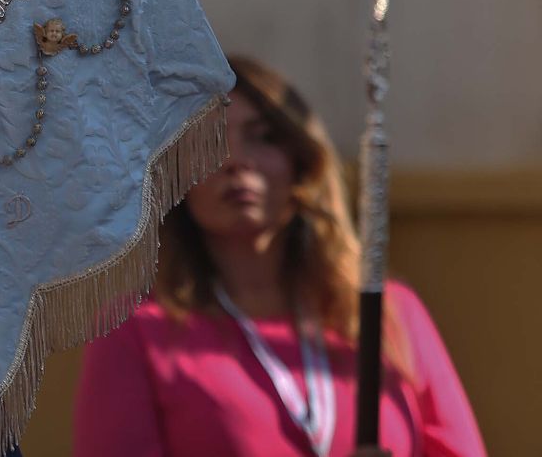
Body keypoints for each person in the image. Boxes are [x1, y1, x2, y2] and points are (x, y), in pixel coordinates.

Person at [71, 55, 485, 457]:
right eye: (209, 143)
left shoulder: (389, 312)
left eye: (263, 137)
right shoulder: (136, 332)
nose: (236, 161)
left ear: (301, 163)